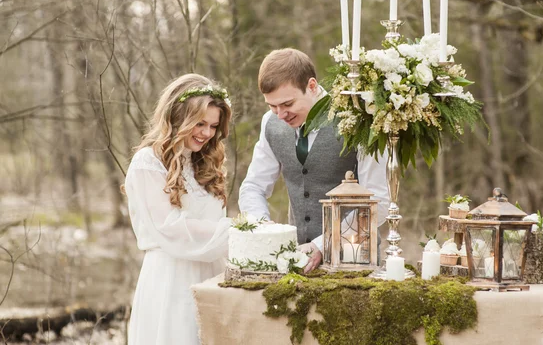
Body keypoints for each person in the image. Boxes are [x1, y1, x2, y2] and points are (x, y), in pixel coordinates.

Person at [238, 48, 389, 273]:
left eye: (288, 104)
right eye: (272, 106)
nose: (280, 114)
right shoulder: (270, 123)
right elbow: (253, 186)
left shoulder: (359, 118)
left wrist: (322, 244)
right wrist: (261, 226)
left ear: (311, 86)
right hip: (298, 263)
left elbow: (379, 201)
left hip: (355, 263)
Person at [125, 74, 232, 345]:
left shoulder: (203, 164)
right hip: (171, 282)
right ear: (177, 117)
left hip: (213, 278)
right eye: (199, 123)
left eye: (213, 126)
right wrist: (234, 232)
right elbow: (169, 227)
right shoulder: (147, 163)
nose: (207, 133)